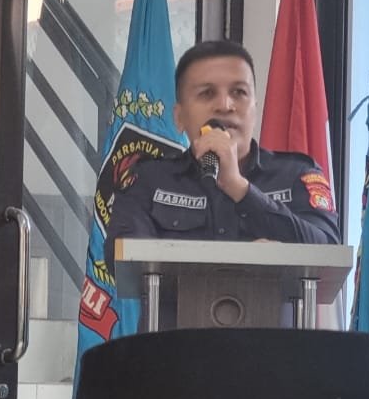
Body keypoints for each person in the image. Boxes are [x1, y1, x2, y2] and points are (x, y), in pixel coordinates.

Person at [105, 39, 340, 271]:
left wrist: (240, 188)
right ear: (179, 118)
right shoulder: (148, 180)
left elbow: (328, 252)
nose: (225, 105)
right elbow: (124, 261)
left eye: (239, 92)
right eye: (207, 93)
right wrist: (241, 263)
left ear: (255, 109)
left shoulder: (296, 175)